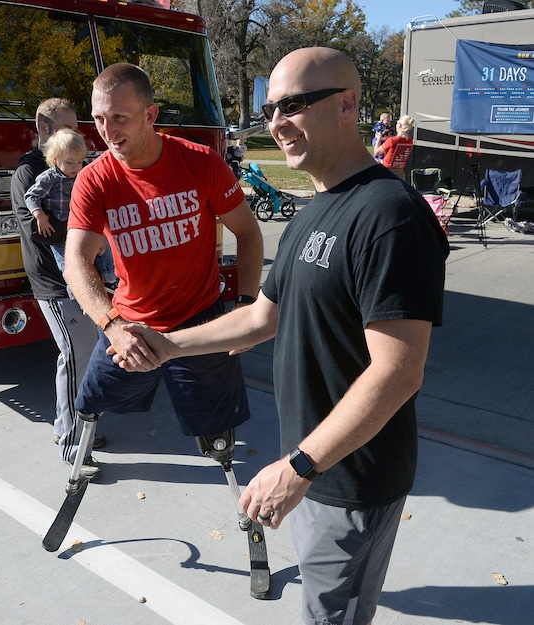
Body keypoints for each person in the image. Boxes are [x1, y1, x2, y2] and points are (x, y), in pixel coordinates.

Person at [117, 48, 449, 625]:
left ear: (347, 105)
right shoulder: (313, 209)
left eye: (293, 105)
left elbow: (398, 370)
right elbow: (262, 317)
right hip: (314, 466)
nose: (275, 122)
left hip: (350, 477)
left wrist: (298, 466)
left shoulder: (389, 215)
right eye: (270, 108)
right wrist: (169, 343)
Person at [63, 63, 264, 472]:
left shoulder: (200, 162)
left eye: (119, 117)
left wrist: (244, 305)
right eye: (99, 118)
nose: (107, 130)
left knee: (218, 433)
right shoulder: (94, 180)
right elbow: (76, 262)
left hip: (201, 322)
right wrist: (112, 327)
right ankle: (78, 460)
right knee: (91, 403)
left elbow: (248, 232)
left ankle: (237, 497)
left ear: (150, 115)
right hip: (131, 326)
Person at [11, 98, 104, 478]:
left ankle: (75, 429)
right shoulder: (29, 171)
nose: (79, 136)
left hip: (84, 275)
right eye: (70, 128)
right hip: (54, 280)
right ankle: (72, 444)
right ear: (47, 130)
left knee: (91, 351)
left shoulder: (75, 164)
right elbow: (34, 226)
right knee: (76, 353)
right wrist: (87, 235)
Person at [23, 128, 116, 287]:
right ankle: (77, 289)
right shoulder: (49, 178)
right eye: (70, 162)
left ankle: (111, 280)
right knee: (66, 261)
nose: (75, 167)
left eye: (79, 162)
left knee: (104, 249)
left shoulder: (84, 173)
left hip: (84, 223)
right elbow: (31, 196)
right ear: (55, 159)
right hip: (61, 230)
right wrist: (40, 215)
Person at [374, 115, 415, 180]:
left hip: (388, 171)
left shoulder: (392, 140)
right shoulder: (410, 142)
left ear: (400, 126)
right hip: (401, 171)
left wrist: (379, 137)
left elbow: (376, 152)